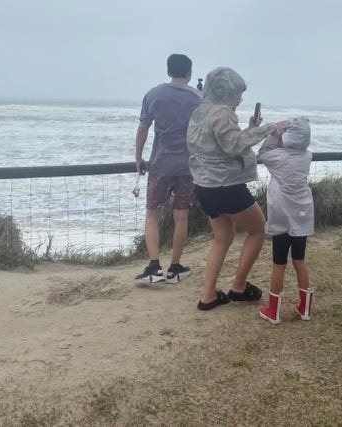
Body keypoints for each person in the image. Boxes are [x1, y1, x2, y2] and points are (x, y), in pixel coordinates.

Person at [187, 67, 289, 310]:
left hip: (204, 185)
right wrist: (268, 128)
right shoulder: (223, 112)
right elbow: (233, 146)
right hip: (226, 186)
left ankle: (208, 295)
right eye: (238, 93)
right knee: (259, 230)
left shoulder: (201, 111)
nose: (240, 98)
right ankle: (239, 286)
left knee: (222, 238)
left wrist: (250, 129)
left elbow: (220, 143)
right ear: (227, 91)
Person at [134, 54, 202, 285]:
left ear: (168, 71)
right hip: (188, 165)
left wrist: (138, 158)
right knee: (181, 217)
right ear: (189, 73)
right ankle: (175, 267)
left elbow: (143, 129)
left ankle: (154, 267)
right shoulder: (198, 97)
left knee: (153, 214)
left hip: (161, 164)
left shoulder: (153, 94)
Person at [257, 117, 315, 324]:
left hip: (282, 218)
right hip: (302, 216)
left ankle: (274, 310)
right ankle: (305, 308)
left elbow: (262, 154)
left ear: (287, 139)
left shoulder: (278, 157)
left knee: (279, 264)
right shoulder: (307, 155)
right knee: (299, 260)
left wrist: (273, 134)